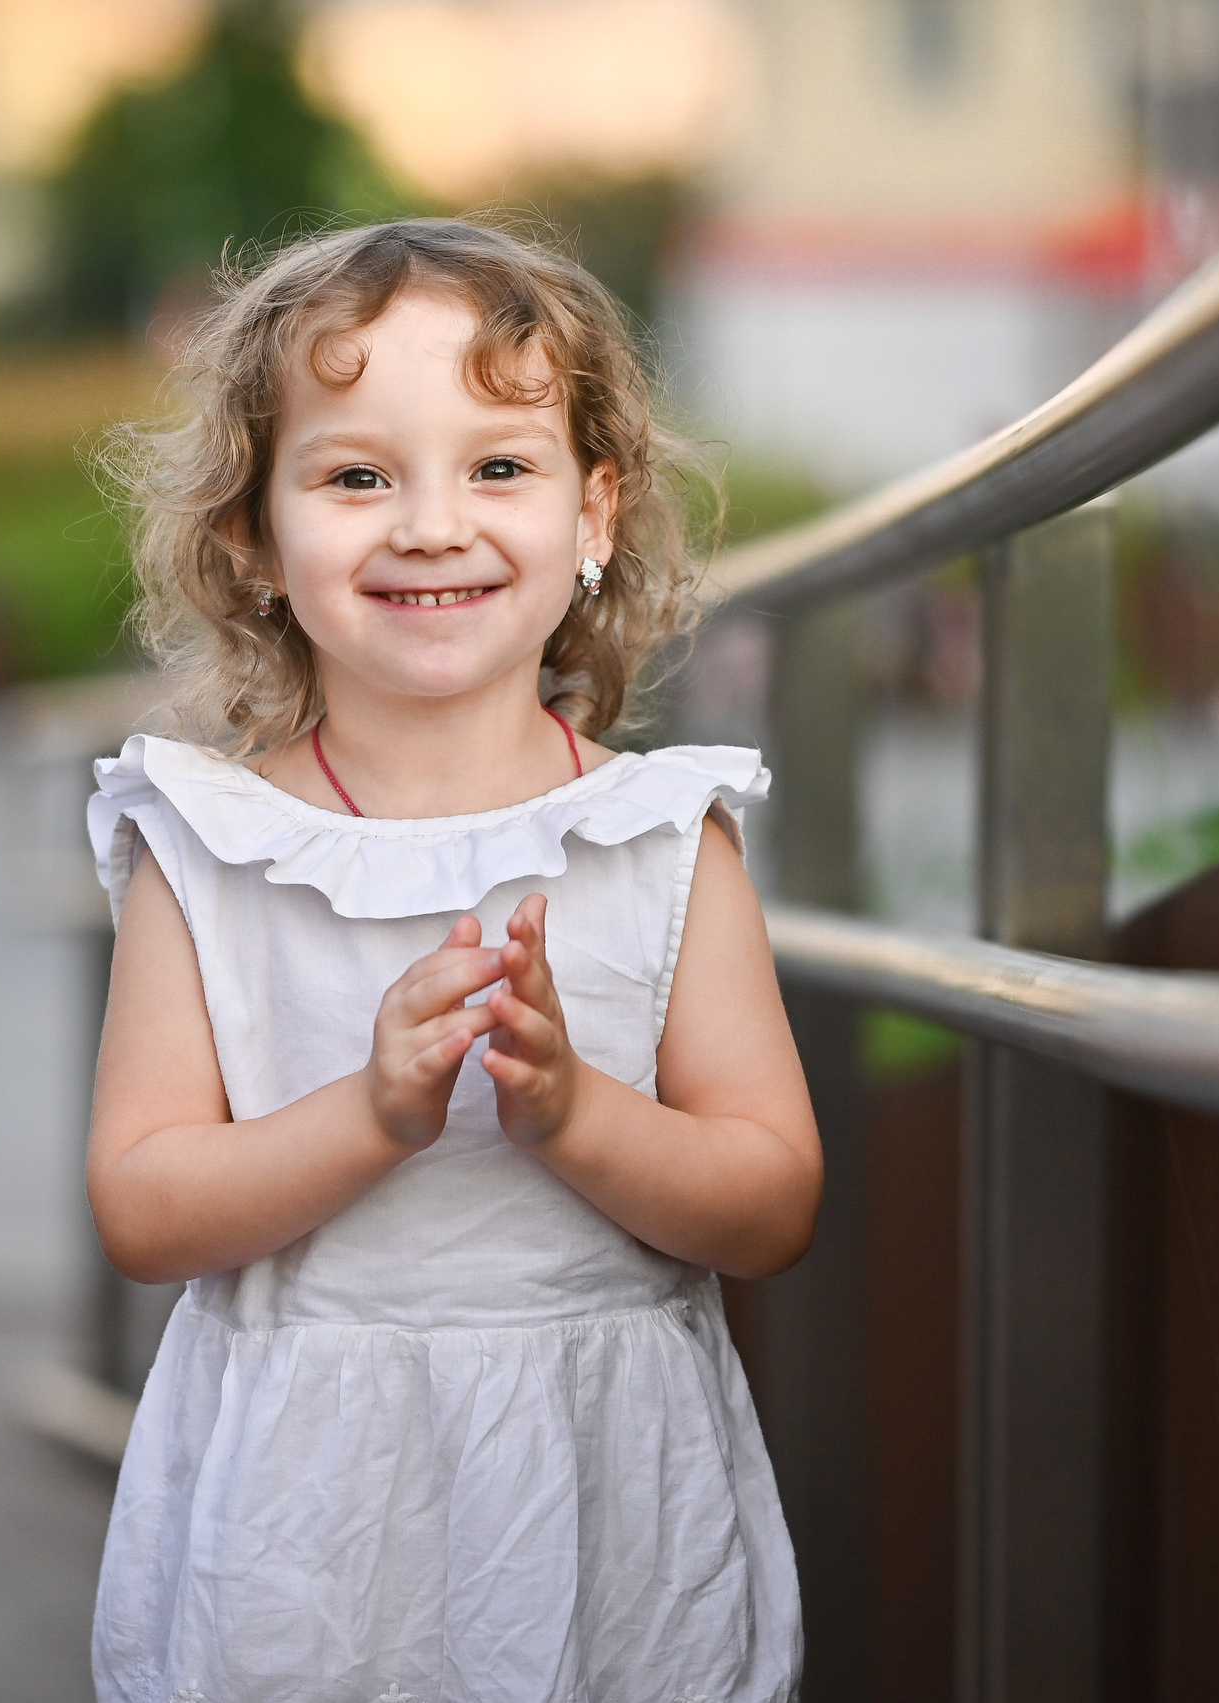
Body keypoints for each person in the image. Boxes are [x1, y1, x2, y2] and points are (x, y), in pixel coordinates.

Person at [81, 218, 817, 1702]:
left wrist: (572, 1114)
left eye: (500, 466)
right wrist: (372, 1114)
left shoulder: (665, 839)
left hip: (602, 1495)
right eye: (357, 476)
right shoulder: (211, 846)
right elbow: (146, 1208)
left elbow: (771, 1200)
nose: (431, 524)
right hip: (308, 1522)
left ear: (595, 511)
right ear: (253, 536)